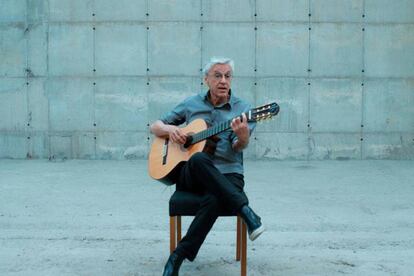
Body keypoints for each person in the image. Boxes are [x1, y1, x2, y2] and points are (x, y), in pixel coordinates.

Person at [150, 57, 264, 276]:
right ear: (206, 79)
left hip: (229, 173)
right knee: (198, 159)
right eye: (217, 75)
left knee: (214, 198)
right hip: (192, 174)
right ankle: (245, 210)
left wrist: (243, 138)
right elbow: (155, 125)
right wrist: (169, 130)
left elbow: (238, 146)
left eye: (228, 76)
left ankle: (176, 257)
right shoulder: (191, 103)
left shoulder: (244, 110)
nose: (223, 81)